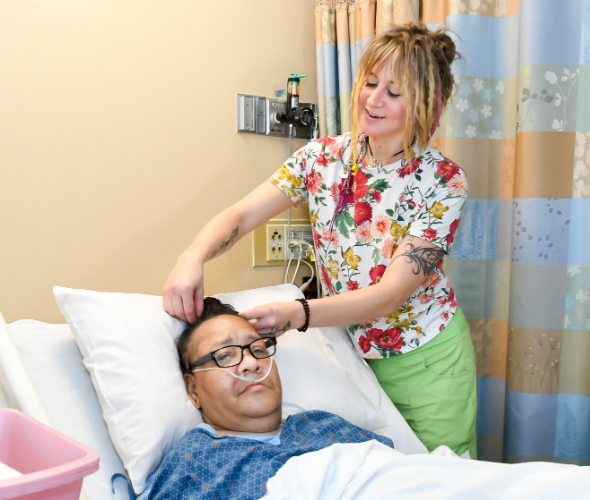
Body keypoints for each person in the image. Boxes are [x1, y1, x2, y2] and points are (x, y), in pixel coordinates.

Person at [162, 23, 476, 458]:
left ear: (425, 103)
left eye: (393, 92)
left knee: (445, 479)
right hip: (349, 351)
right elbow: (242, 214)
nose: (373, 99)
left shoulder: (443, 181)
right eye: (370, 83)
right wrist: (192, 257)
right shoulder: (322, 158)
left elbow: (390, 294)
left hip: (425, 358)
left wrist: (298, 313)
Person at [142, 297, 392, 499]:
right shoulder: (194, 462)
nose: (251, 363)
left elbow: (401, 474)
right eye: (225, 356)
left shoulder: (323, 424)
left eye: (258, 349)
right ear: (193, 389)